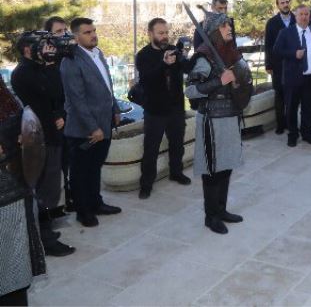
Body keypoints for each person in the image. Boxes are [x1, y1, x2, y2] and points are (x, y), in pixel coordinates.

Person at [11, 35, 75, 257]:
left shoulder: (42, 68)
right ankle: (44, 240)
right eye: (43, 45)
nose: (48, 48)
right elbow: (46, 92)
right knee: (43, 192)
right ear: (28, 49)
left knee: (50, 189)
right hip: (38, 141)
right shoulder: (23, 73)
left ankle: (45, 232)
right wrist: (49, 65)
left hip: (52, 136)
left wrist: (60, 114)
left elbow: (59, 95)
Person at [185, 12, 245, 234]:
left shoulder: (229, 53)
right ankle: (210, 217)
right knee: (211, 169)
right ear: (213, 32)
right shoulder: (203, 58)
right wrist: (218, 81)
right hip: (211, 119)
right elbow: (190, 90)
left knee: (226, 166)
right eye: (224, 26)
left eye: (229, 25)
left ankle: (221, 210)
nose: (229, 29)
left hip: (230, 116)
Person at [60, 18, 121, 228]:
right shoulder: (70, 61)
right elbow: (76, 99)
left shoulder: (98, 53)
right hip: (84, 130)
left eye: (94, 30)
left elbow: (107, 86)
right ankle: (83, 211)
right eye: (87, 32)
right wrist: (92, 128)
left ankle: (96, 203)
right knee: (80, 173)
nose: (93, 35)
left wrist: (115, 109)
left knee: (95, 168)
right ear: (76, 36)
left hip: (104, 123)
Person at [0, 75, 47, 306]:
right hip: (13, 192)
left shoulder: (7, 99)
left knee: (14, 271)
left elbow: (28, 133)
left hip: (13, 198)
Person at [135, 18, 192, 200]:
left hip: (176, 108)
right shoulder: (143, 55)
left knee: (177, 144)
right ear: (150, 34)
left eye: (166, 32)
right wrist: (164, 64)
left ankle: (176, 172)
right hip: (155, 111)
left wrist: (186, 55)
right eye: (160, 33)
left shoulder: (173, 51)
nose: (165, 36)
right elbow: (146, 80)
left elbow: (187, 69)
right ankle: (146, 184)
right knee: (151, 149)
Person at [273, 5, 311, 147]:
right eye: (301, 14)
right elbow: (277, 51)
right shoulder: (285, 32)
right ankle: (292, 134)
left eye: (306, 14)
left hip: (310, 78)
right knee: (291, 108)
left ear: (310, 16)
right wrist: (293, 54)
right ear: (295, 16)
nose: (304, 17)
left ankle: (307, 133)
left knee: (308, 107)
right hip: (292, 78)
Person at [42, 16, 73, 215]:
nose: (64, 35)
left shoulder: (69, 55)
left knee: (72, 162)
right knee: (57, 166)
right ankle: (56, 205)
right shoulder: (46, 61)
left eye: (65, 30)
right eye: (59, 31)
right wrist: (57, 115)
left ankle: (72, 198)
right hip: (56, 121)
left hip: (72, 117)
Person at [264, 0, 295, 135]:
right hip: (277, 65)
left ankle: (291, 123)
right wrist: (268, 64)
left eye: (287, 2)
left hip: (295, 64)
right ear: (278, 5)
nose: (285, 4)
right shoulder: (272, 23)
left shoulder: (296, 19)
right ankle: (280, 124)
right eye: (282, 3)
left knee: (293, 96)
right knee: (280, 96)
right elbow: (268, 45)